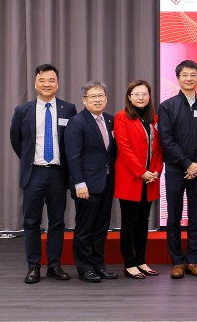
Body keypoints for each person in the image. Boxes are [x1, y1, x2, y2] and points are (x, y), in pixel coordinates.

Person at [9, 64, 77, 284]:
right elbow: (16, 141)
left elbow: (72, 143)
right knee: (31, 222)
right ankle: (34, 266)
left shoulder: (69, 109)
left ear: (57, 83)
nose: (47, 84)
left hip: (58, 173)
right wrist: (31, 160)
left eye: (51, 80)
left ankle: (54, 265)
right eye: (42, 80)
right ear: (35, 83)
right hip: (34, 173)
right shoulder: (23, 110)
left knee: (57, 222)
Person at [158, 60, 197, 279]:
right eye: (184, 75)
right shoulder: (168, 106)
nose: (189, 78)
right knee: (174, 216)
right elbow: (166, 139)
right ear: (178, 78)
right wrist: (186, 163)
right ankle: (177, 262)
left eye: (193, 75)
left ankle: (192, 260)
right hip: (175, 169)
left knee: (196, 216)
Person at [64, 81, 118, 283]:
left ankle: (98, 265)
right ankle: (84, 269)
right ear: (84, 100)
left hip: (106, 183)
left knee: (101, 228)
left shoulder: (111, 121)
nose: (97, 99)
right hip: (86, 185)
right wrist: (79, 184)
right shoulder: (77, 122)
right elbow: (73, 157)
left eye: (101, 96)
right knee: (85, 228)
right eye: (92, 96)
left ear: (106, 98)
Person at [114, 80, 163, 279]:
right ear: (129, 97)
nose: (141, 97)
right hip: (131, 178)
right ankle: (129, 263)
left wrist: (156, 171)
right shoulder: (121, 117)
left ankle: (141, 260)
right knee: (129, 221)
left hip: (150, 179)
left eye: (144, 94)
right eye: (136, 94)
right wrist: (141, 171)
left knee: (144, 222)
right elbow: (124, 149)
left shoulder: (155, 119)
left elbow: (159, 149)